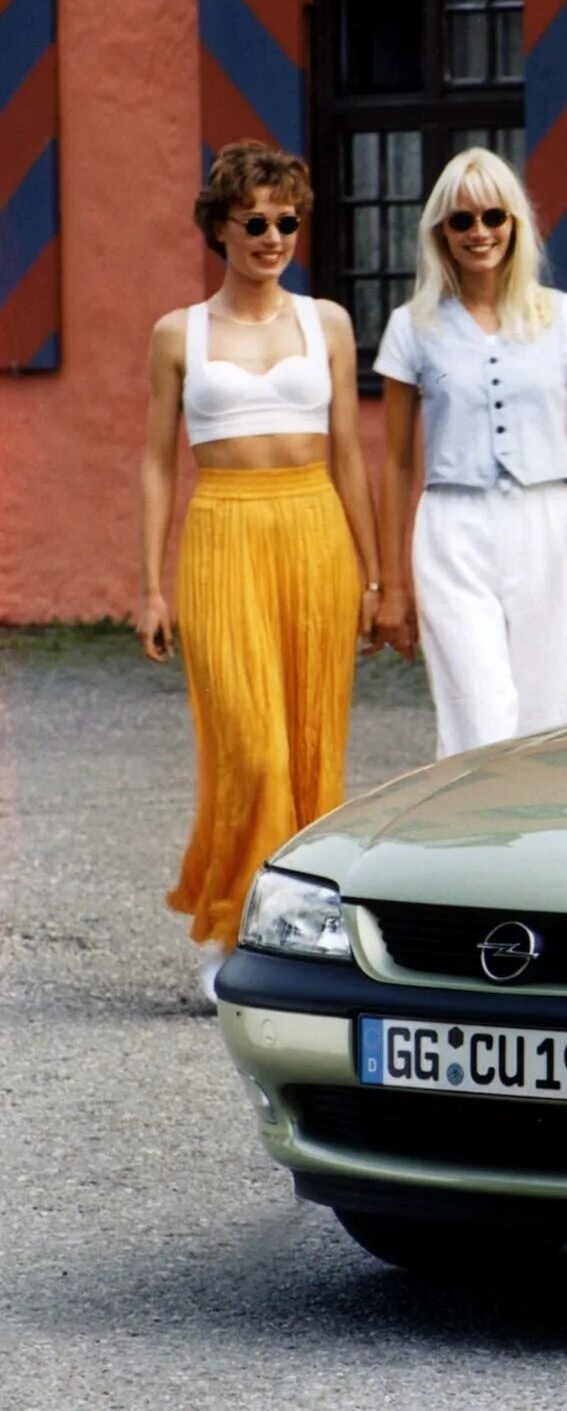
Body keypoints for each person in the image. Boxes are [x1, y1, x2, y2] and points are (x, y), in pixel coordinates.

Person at [139, 141, 381, 999]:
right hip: (223, 530)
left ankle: (303, 935)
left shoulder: (329, 323)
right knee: (248, 746)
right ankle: (229, 928)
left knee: (315, 742)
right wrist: (150, 585)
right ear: (221, 227)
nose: (273, 235)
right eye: (256, 221)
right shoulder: (180, 333)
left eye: (286, 220)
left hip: (314, 527)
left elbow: (352, 453)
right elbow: (160, 463)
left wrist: (376, 574)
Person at [371, 147, 567, 758]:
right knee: (477, 717)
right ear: (440, 232)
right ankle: (471, 845)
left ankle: (544, 847)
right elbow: (398, 463)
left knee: (552, 715)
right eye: (461, 221)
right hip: (451, 528)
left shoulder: (566, 317)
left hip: (548, 525)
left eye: (492, 217)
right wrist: (392, 587)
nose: (479, 232)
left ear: (514, 223)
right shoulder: (412, 327)